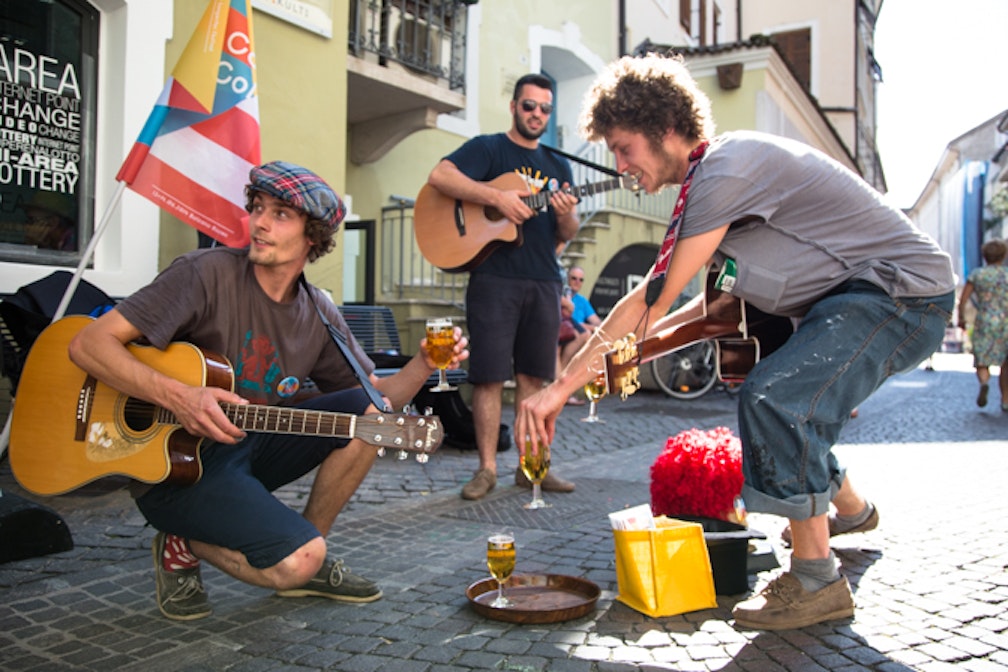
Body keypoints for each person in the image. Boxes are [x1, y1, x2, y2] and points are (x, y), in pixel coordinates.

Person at [515, 54, 955, 631]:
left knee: (778, 399)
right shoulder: (710, 189)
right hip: (860, 298)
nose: (621, 166)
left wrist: (561, 386)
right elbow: (711, 313)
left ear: (664, 128)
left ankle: (817, 580)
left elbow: (653, 299)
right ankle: (852, 511)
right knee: (791, 404)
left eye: (624, 148)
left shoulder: (726, 170)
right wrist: (622, 359)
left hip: (902, 294)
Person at [67, 161, 468, 621]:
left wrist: (423, 364)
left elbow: (379, 394)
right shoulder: (204, 274)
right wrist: (177, 394)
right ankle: (184, 541)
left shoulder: (318, 312)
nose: (259, 222)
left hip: (247, 446)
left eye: (280, 214)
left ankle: (308, 547)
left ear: (313, 235)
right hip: (173, 465)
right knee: (292, 562)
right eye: (257, 207)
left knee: (368, 415)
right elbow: (88, 344)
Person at [426, 73, 580, 500]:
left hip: (544, 279)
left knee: (535, 377)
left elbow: (567, 231)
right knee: (489, 377)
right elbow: (440, 176)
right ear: (514, 107)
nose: (537, 114)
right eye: (529, 105)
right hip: (494, 277)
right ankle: (487, 469)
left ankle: (531, 468)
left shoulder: (558, 165)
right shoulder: (489, 149)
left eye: (545, 109)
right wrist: (496, 198)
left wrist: (565, 213)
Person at [957, 239, 1008, 410]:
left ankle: (984, 382)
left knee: (982, 359)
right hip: (1006, 322)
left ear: (985, 256)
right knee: (1005, 363)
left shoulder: (977, 274)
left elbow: (963, 300)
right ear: (1004, 255)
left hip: (985, 320)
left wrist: (961, 319)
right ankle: (1005, 400)